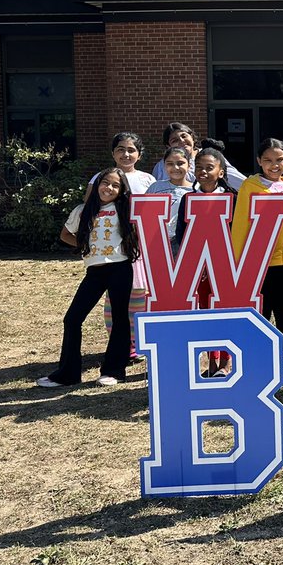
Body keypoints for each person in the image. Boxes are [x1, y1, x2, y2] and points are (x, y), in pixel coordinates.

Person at [38, 168, 139, 387]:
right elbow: (65, 234)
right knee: (72, 319)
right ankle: (68, 374)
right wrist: (85, 246)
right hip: (94, 271)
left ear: (121, 191)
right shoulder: (83, 210)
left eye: (115, 185)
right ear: (97, 184)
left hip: (120, 268)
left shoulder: (126, 208)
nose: (109, 188)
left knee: (120, 319)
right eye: (105, 182)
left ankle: (114, 371)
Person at [232, 138, 283, 378]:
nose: (274, 165)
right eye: (268, 160)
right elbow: (240, 224)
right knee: (262, 309)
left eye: (279, 159)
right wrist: (239, 258)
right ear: (259, 161)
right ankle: (259, 357)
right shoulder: (250, 186)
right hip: (258, 259)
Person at [92, 132, 154, 365]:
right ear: (112, 152)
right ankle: (118, 343)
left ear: (139, 154)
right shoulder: (102, 178)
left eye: (131, 150)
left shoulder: (148, 180)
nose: (125, 154)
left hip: (139, 244)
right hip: (111, 247)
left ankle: (137, 344)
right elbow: (91, 207)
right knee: (115, 295)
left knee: (139, 293)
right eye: (120, 149)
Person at [177, 147, 239, 377]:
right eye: (199, 167)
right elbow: (182, 232)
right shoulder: (188, 199)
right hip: (198, 266)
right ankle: (211, 361)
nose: (203, 172)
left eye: (209, 167)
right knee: (205, 311)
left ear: (221, 172)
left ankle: (227, 360)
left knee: (226, 310)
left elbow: (238, 233)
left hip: (225, 264)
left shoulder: (232, 198)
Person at [145, 146, 192, 240]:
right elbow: (144, 213)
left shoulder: (195, 189)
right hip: (157, 240)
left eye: (180, 163)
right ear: (164, 166)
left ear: (189, 165)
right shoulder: (155, 187)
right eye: (170, 164)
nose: (175, 168)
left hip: (184, 240)